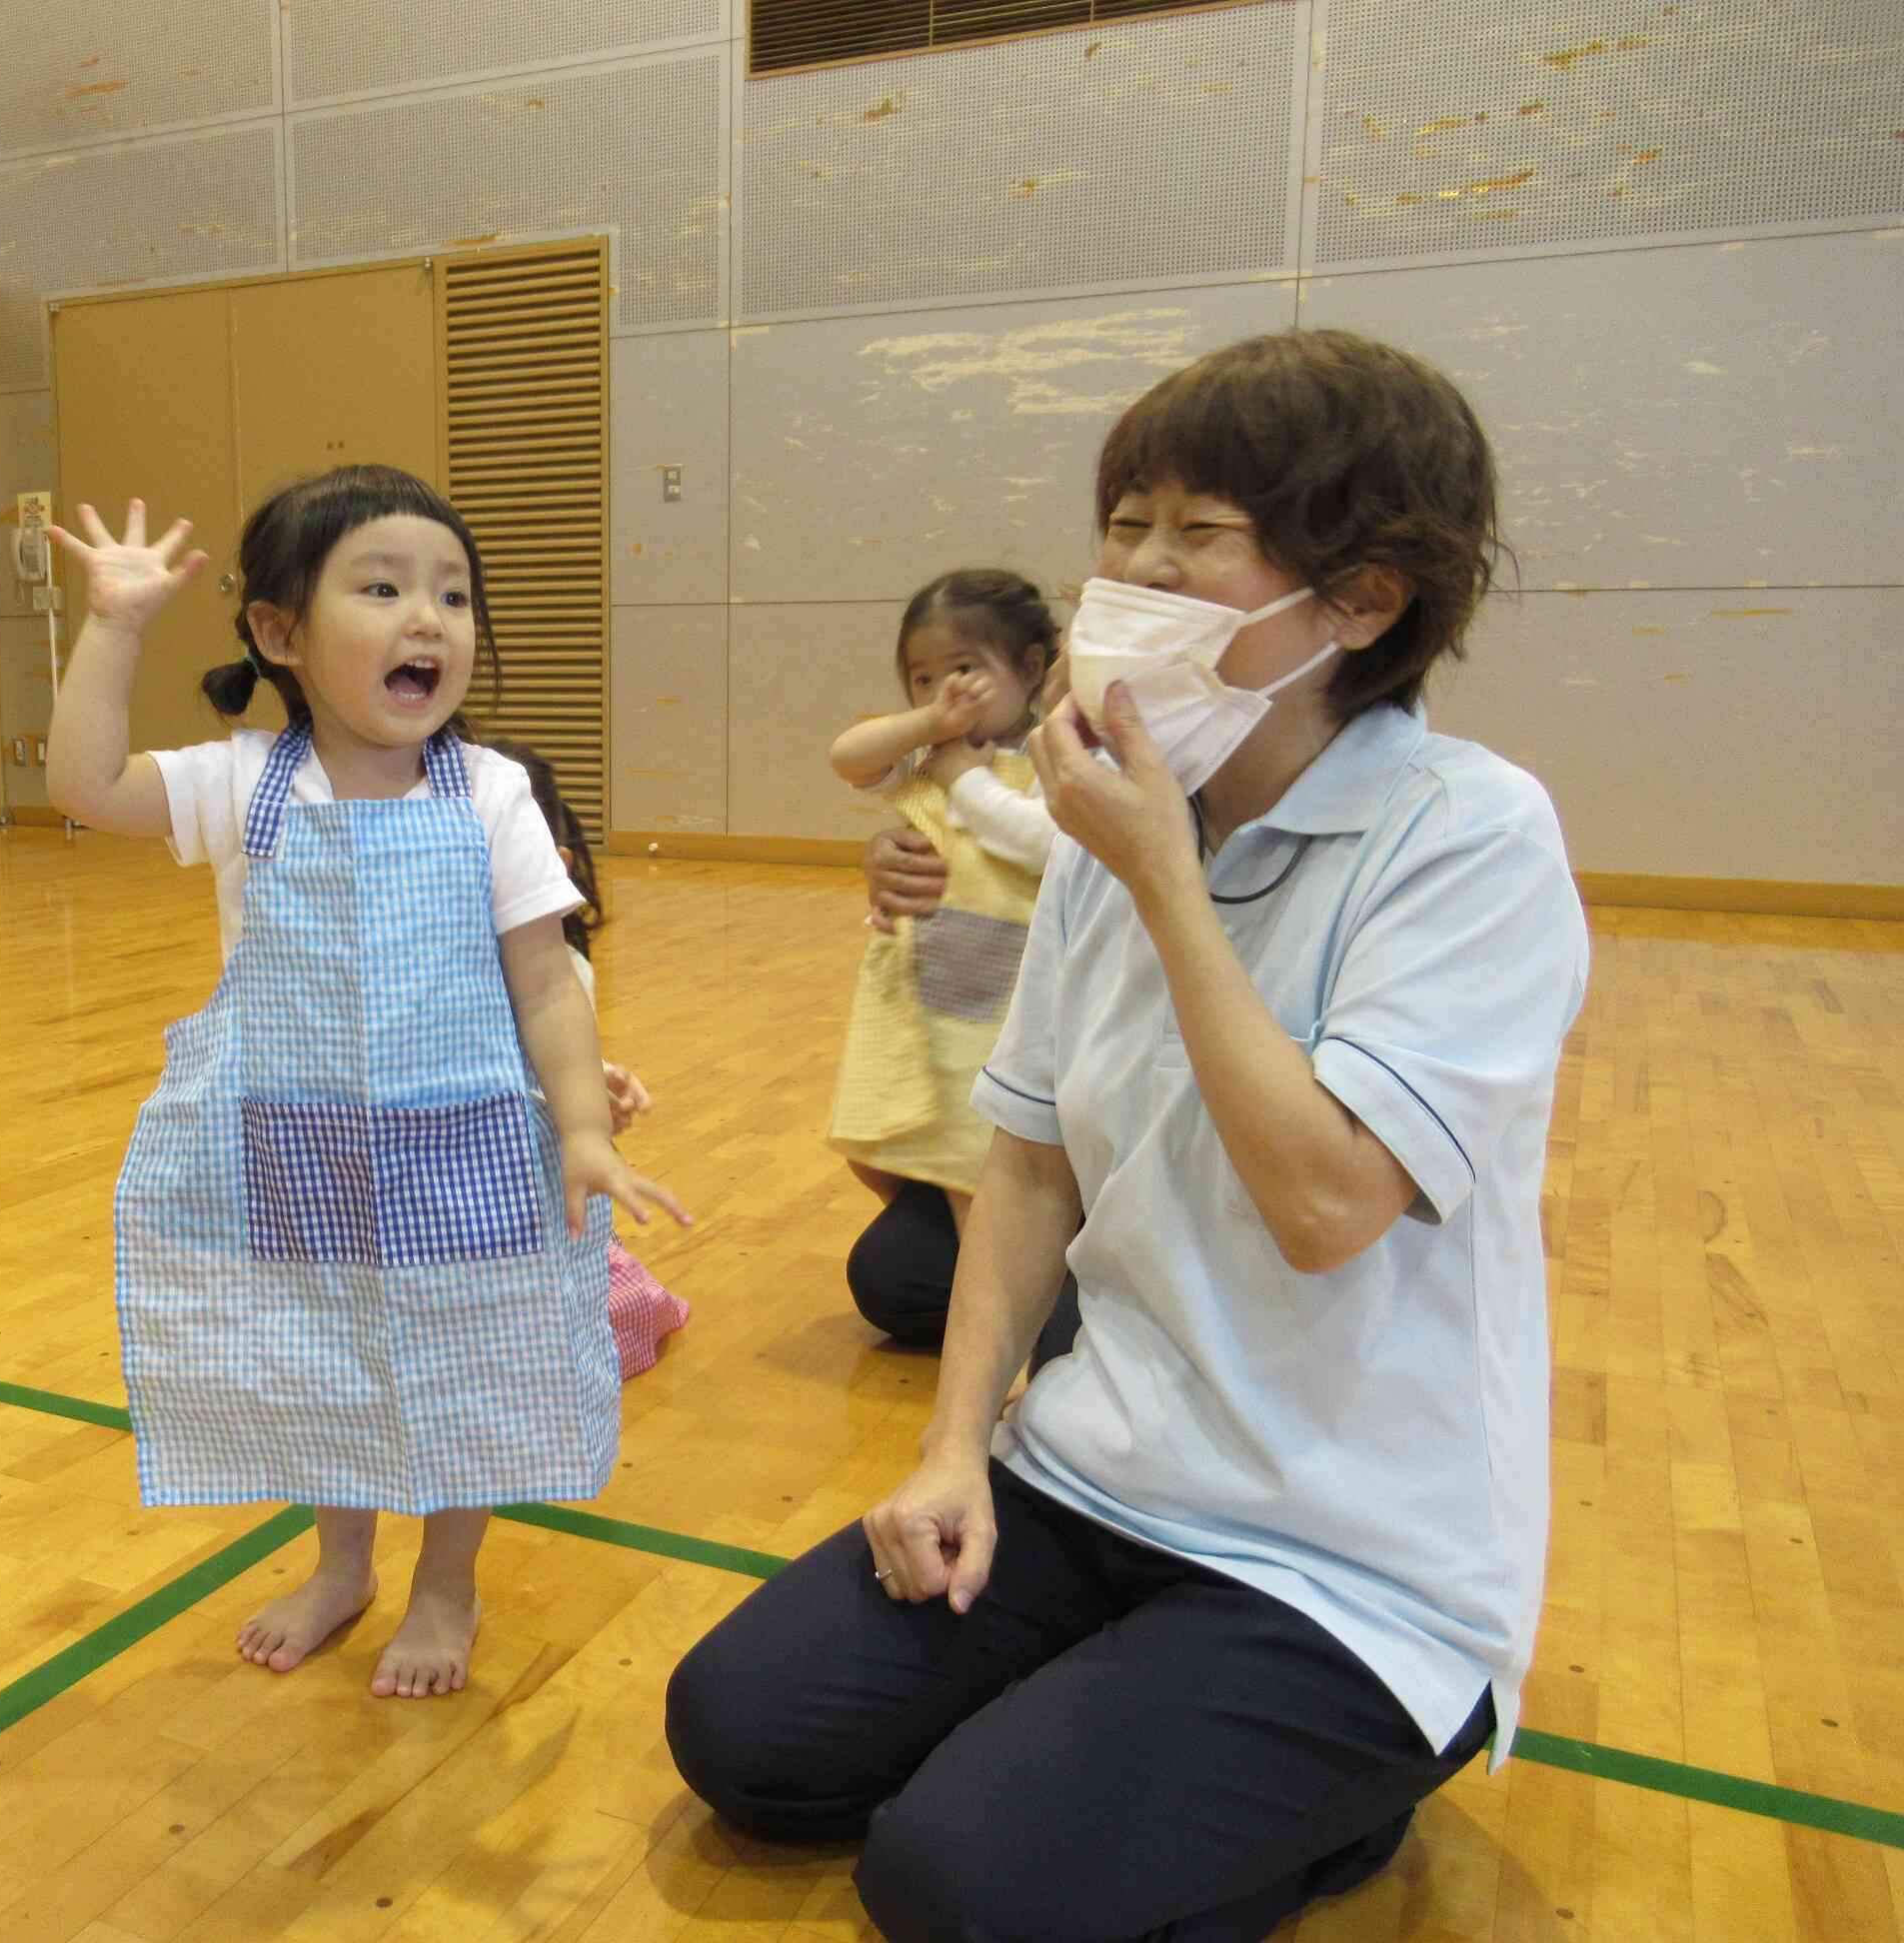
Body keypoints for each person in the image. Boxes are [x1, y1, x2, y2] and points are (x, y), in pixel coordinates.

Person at [666, 329, 1589, 1940]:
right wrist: (955, 1442)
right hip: (1098, 1474)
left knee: (953, 1884)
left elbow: (1324, 1203)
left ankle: (1333, 1796)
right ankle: (1124, 1763)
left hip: (1346, 1563)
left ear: (1362, 599)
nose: (1134, 574)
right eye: (1125, 524)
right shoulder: (1118, 823)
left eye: (1195, 536)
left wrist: (1165, 876)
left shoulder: (1469, 836)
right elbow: (1024, 1164)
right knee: (743, 1734)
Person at [45, 466, 686, 1701]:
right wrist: (115, 626)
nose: (427, 618)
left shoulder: (491, 792)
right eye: (383, 587)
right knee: (321, 1355)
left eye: (452, 592)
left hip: (470, 1146)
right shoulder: (242, 783)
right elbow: (81, 784)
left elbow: (548, 983)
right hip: (301, 1144)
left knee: (472, 1359)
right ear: (279, 633)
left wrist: (584, 1128)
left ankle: (448, 1580)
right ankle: (341, 1564)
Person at [824, 572, 1061, 1348]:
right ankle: (1004, 1292)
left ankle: (1008, 1314)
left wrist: (966, 779)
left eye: (963, 670)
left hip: (1012, 1014)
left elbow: (1045, 845)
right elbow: (848, 755)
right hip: (934, 999)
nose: (943, 691)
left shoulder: (1059, 753)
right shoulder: (924, 755)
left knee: (975, 1164)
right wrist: (930, 721)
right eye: (922, 677)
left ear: (1031, 668)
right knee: (893, 1147)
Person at [483, 735, 693, 1379]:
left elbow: (550, 1070)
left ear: (555, 865)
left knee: (594, 1324)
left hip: (519, 1188)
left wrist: (596, 1093)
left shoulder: (561, 973)